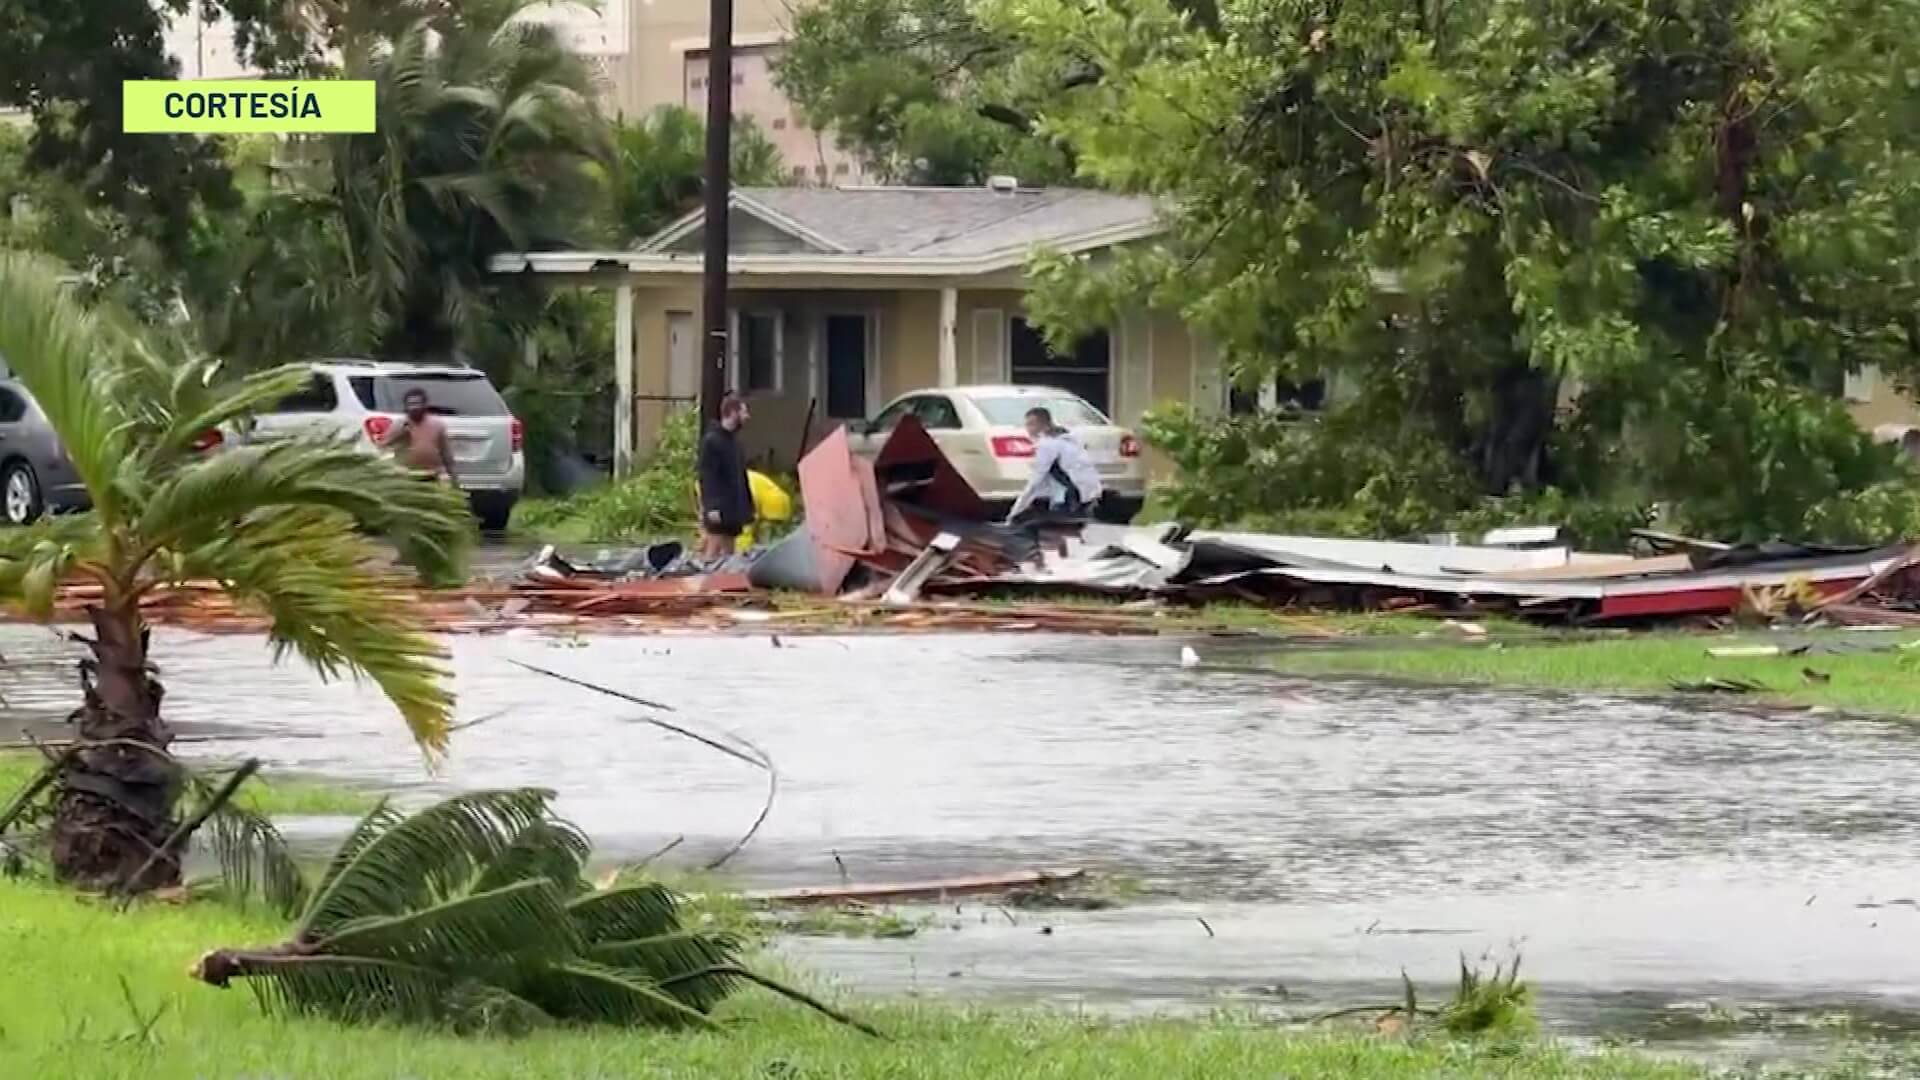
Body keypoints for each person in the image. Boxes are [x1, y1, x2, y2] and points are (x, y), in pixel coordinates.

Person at [1006, 406, 1104, 525]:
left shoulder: (1048, 444)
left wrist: (1014, 513)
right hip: (1089, 493)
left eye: (1031, 424)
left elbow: (1035, 481)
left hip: (1073, 496)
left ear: (1042, 425)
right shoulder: (1068, 438)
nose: (1028, 429)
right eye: (1027, 424)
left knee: (1057, 531)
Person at [697, 394, 754, 560]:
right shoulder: (712, 441)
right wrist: (712, 507)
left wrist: (747, 507)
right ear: (733, 412)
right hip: (719, 509)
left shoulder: (735, 443)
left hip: (732, 509)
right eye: (743, 412)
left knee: (729, 554)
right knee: (713, 549)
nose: (747, 417)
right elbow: (708, 477)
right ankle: (707, 580)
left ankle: (724, 582)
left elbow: (741, 478)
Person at [382, 387, 457, 484]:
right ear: (406, 407)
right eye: (410, 404)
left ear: (425, 405)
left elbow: (446, 453)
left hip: (433, 474)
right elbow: (383, 446)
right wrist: (400, 433)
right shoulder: (399, 424)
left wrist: (452, 475)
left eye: (417, 403)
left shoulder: (437, 424)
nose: (414, 407)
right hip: (406, 474)